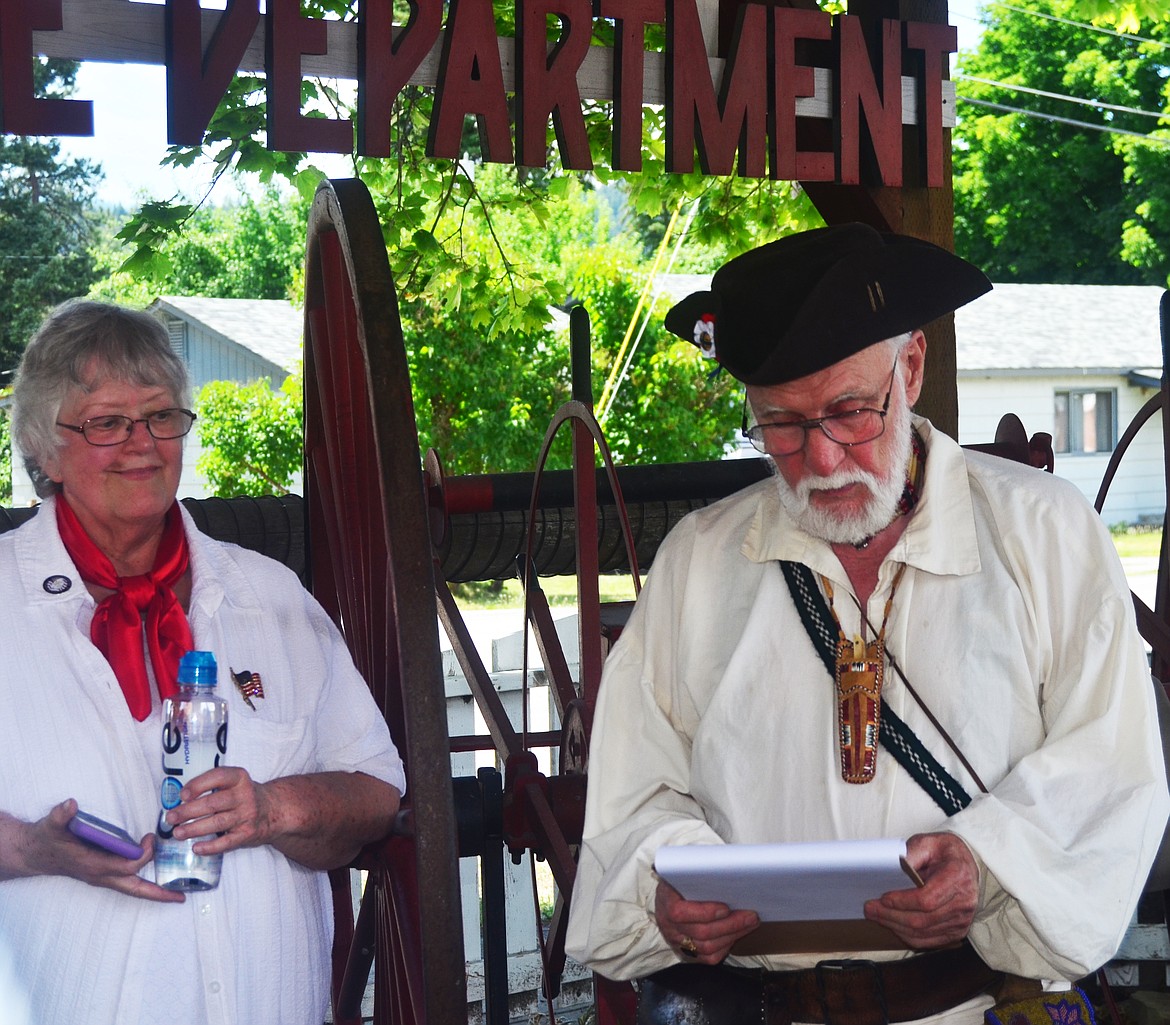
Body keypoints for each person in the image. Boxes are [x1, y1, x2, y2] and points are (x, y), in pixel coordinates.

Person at [564, 223, 1170, 1022]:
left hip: (971, 1004)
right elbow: (632, 796)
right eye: (781, 424)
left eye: (850, 412)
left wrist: (987, 865)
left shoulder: (1044, 532)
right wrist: (667, 878)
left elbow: (1112, 761)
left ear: (910, 367)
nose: (821, 460)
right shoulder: (698, 562)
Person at [0, 299, 405, 1024]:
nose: (142, 444)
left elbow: (375, 788)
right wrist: (32, 847)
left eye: (161, 416)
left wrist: (272, 807)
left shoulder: (271, 597)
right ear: (43, 446)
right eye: (105, 422)